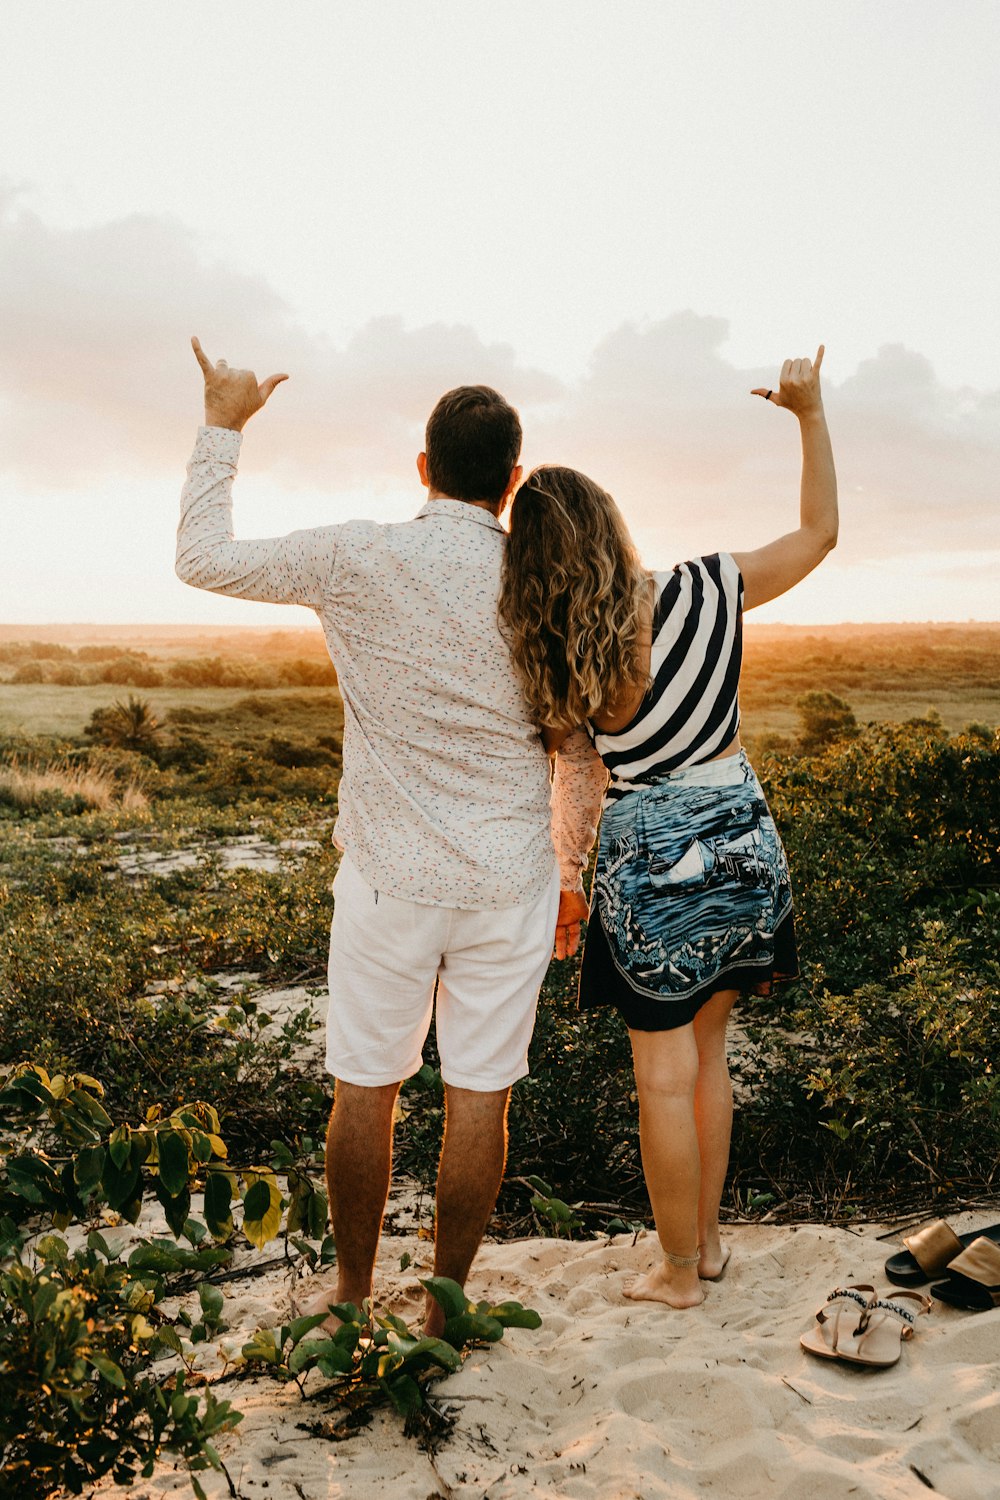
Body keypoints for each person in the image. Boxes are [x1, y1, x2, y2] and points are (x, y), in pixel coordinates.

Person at [176, 341, 606, 1333]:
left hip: (387, 879)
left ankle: (354, 1298)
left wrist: (224, 426)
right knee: (479, 1097)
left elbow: (201, 559)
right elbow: (577, 753)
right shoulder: (540, 580)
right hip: (510, 880)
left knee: (365, 1088)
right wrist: (569, 872)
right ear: (508, 481)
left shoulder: (358, 554)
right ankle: (447, 1305)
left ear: (424, 469)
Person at [497, 347, 837, 1307]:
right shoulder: (705, 588)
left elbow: (575, 780)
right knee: (712, 1060)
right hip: (739, 838)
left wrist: (570, 879)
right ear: (614, 524)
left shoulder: (558, 654)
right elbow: (819, 533)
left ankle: (678, 1272)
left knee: (662, 1078)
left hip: (649, 864)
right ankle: (712, 1247)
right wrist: (810, 414)